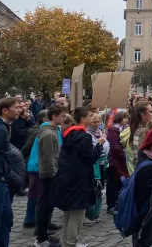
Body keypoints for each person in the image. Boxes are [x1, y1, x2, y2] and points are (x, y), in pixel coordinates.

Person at [54, 106, 104, 247]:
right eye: (90, 116)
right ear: (83, 119)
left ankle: (66, 241)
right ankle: (71, 242)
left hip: (67, 177)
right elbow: (90, 158)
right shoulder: (84, 137)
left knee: (69, 212)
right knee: (77, 213)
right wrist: (99, 146)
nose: (93, 118)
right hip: (79, 179)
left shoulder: (69, 133)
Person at [0, 97, 20, 246]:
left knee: (6, 220)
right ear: (5, 111)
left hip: (1, 181)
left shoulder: (1, 126)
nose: (20, 109)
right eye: (16, 107)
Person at [33, 105, 66, 247]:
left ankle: (44, 234)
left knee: (48, 206)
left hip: (50, 174)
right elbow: (49, 159)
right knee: (46, 207)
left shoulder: (53, 130)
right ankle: (42, 239)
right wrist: (55, 176)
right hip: (49, 176)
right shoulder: (48, 134)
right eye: (62, 116)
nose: (64, 118)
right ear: (54, 116)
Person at [106, 111, 128, 215]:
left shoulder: (125, 129)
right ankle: (111, 205)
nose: (126, 120)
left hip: (122, 161)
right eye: (124, 118)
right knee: (113, 184)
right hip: (115, 161)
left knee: (120, 183)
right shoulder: (114, 130)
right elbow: (115, 147)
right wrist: (124, 154)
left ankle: (118, 203)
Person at [123, 102, 152, 175]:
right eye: (151, 112)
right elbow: (138, 156)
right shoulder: (141, 132)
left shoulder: (139, 129)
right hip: (143, 172)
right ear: (143, 115)